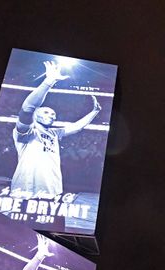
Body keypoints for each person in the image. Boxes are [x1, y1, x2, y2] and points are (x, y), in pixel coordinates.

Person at [11, 60, 101, 198]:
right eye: (47, 112)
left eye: (53, 114)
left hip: (52, 189)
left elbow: (77, 127)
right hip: (25, 189)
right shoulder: (27, 130)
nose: (52, 115)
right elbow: (27, 108)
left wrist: (94, 111)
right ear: (36, 114)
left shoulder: (54, 133)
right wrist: (49, 81)